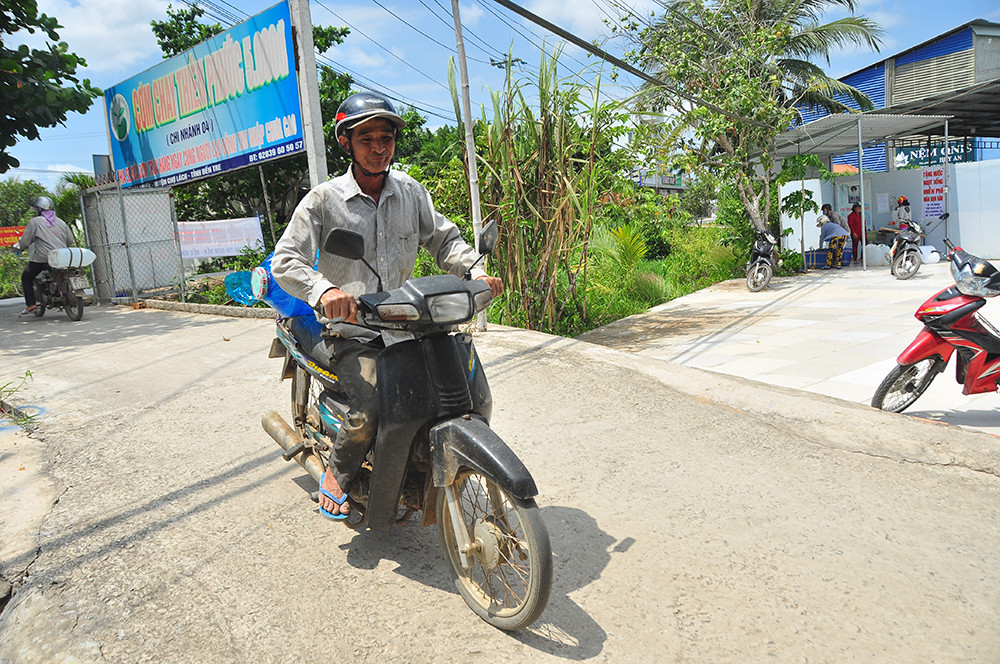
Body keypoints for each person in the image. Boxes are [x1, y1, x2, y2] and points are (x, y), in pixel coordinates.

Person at [271, 91, 503, 520]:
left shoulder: (411, 193)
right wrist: (324, 291)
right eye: (367, 139)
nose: (379, 148)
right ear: (347, 143)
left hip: (407, 322)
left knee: (452, 385)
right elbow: (287, 259)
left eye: (386, 138)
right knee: (373, 402)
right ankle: (337, 475)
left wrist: (474, 271)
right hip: (351, 329)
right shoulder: (324, 200)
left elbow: (444, 240)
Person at [14, 196, 75, 316]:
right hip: (60, 257)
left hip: (42, 258)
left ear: (39, 209)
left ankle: (31, 304)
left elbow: (25, 241)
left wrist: (17, 247)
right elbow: (70, 240)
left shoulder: (35, 222)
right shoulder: (61, 222)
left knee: (26, 277)